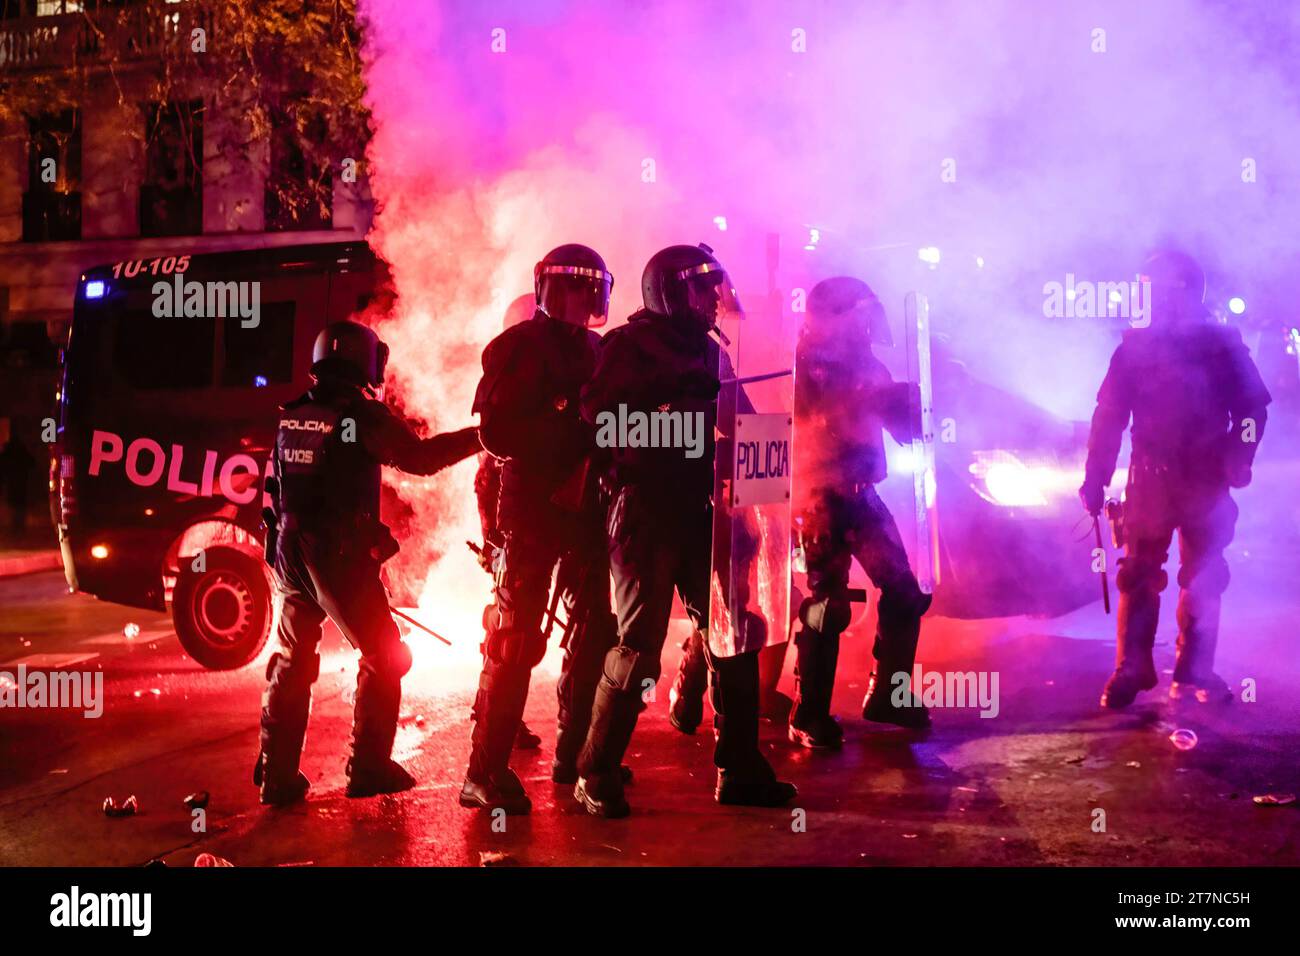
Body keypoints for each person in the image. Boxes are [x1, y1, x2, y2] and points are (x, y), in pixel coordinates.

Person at [573, 243, 797, 817]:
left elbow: (741, 422)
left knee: (733, 631)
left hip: (701, 513)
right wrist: (672, 413)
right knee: (639, 651)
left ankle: (739, 768)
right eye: (701, 291)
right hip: (643, 512)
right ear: (670, 292)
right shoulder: (627, 346)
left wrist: (778, 445)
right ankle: (594, 773)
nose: (711, 302)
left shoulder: (709, 350)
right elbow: (600, 424)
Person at [258, 320, 481, 805]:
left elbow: (277, 489)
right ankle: (369, 766)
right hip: (336, 557)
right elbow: (419, 460)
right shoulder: (360, 415)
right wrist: (480, 438)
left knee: (294, 661)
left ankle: (276, 777)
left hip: (289, 550)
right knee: (387, 658)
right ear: (365, 361)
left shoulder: (295, 411)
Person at [459, 245, 622, 815]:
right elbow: (498, 434)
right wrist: (566, 424)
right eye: (571, 288)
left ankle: (575, 755)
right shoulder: (516, 347)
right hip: (531, 508)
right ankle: (484, 772)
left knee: (596, 631)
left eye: (588, 289)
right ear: (550, 290)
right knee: (516, 641)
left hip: (586, 508)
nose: (581, 299)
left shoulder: (600, 348)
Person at [1081, 250, 1271, 708]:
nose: (1157, 300)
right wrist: (1096, 476)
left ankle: (1194, 670)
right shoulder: (1135, 350)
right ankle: (1133, 666)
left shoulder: (1221, 348)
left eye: (1164, 290)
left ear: (1184, 292)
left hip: (1206, 478)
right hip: (1150, 478)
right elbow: (1109, 417)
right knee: (1137, 573)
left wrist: (1238, 456)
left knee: (1205, 574)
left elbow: (1252, 410)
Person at [787, 277, 932, 749]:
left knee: (906, 592)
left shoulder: (869, 363)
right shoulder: (807, 363)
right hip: (819, 498)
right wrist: (872, 400)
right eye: (860, 313)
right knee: (826, 606)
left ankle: (890, 694)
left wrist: (911, 408)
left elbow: (897, 427)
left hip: (862, 495)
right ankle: (809, 713)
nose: (869, 322)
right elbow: (818, 421)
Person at [471, 293, 543, 753]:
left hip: (538, 523)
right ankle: (492, 717)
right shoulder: (508, 383)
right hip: (516, 529)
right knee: (507, 631)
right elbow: (486, 475)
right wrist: (494, 539)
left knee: (512, 628)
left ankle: (497, 717)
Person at [0, 434, 35, 534]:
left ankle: (16, 526)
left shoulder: (9, 453)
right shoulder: (22, 452)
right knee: (19, 504)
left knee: (15, 504)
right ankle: (19, 526)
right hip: (21, 482)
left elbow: (2, 466)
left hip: (13, 482)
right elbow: (32, 463)